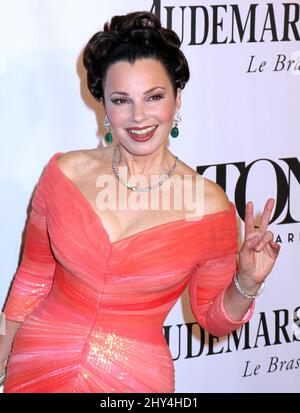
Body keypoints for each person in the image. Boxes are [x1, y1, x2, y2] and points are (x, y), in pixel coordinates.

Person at [0, 11, 280, 393]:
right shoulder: (64, 174)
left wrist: (245, 282)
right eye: (121, 100)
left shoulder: (209, 207)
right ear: (103, 105)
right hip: (36, 365)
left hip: (134, 382)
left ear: (177, 98)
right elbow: (32, 278)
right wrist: (3, 355)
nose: (138, 117)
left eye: (154, 97)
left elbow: (214, 320)